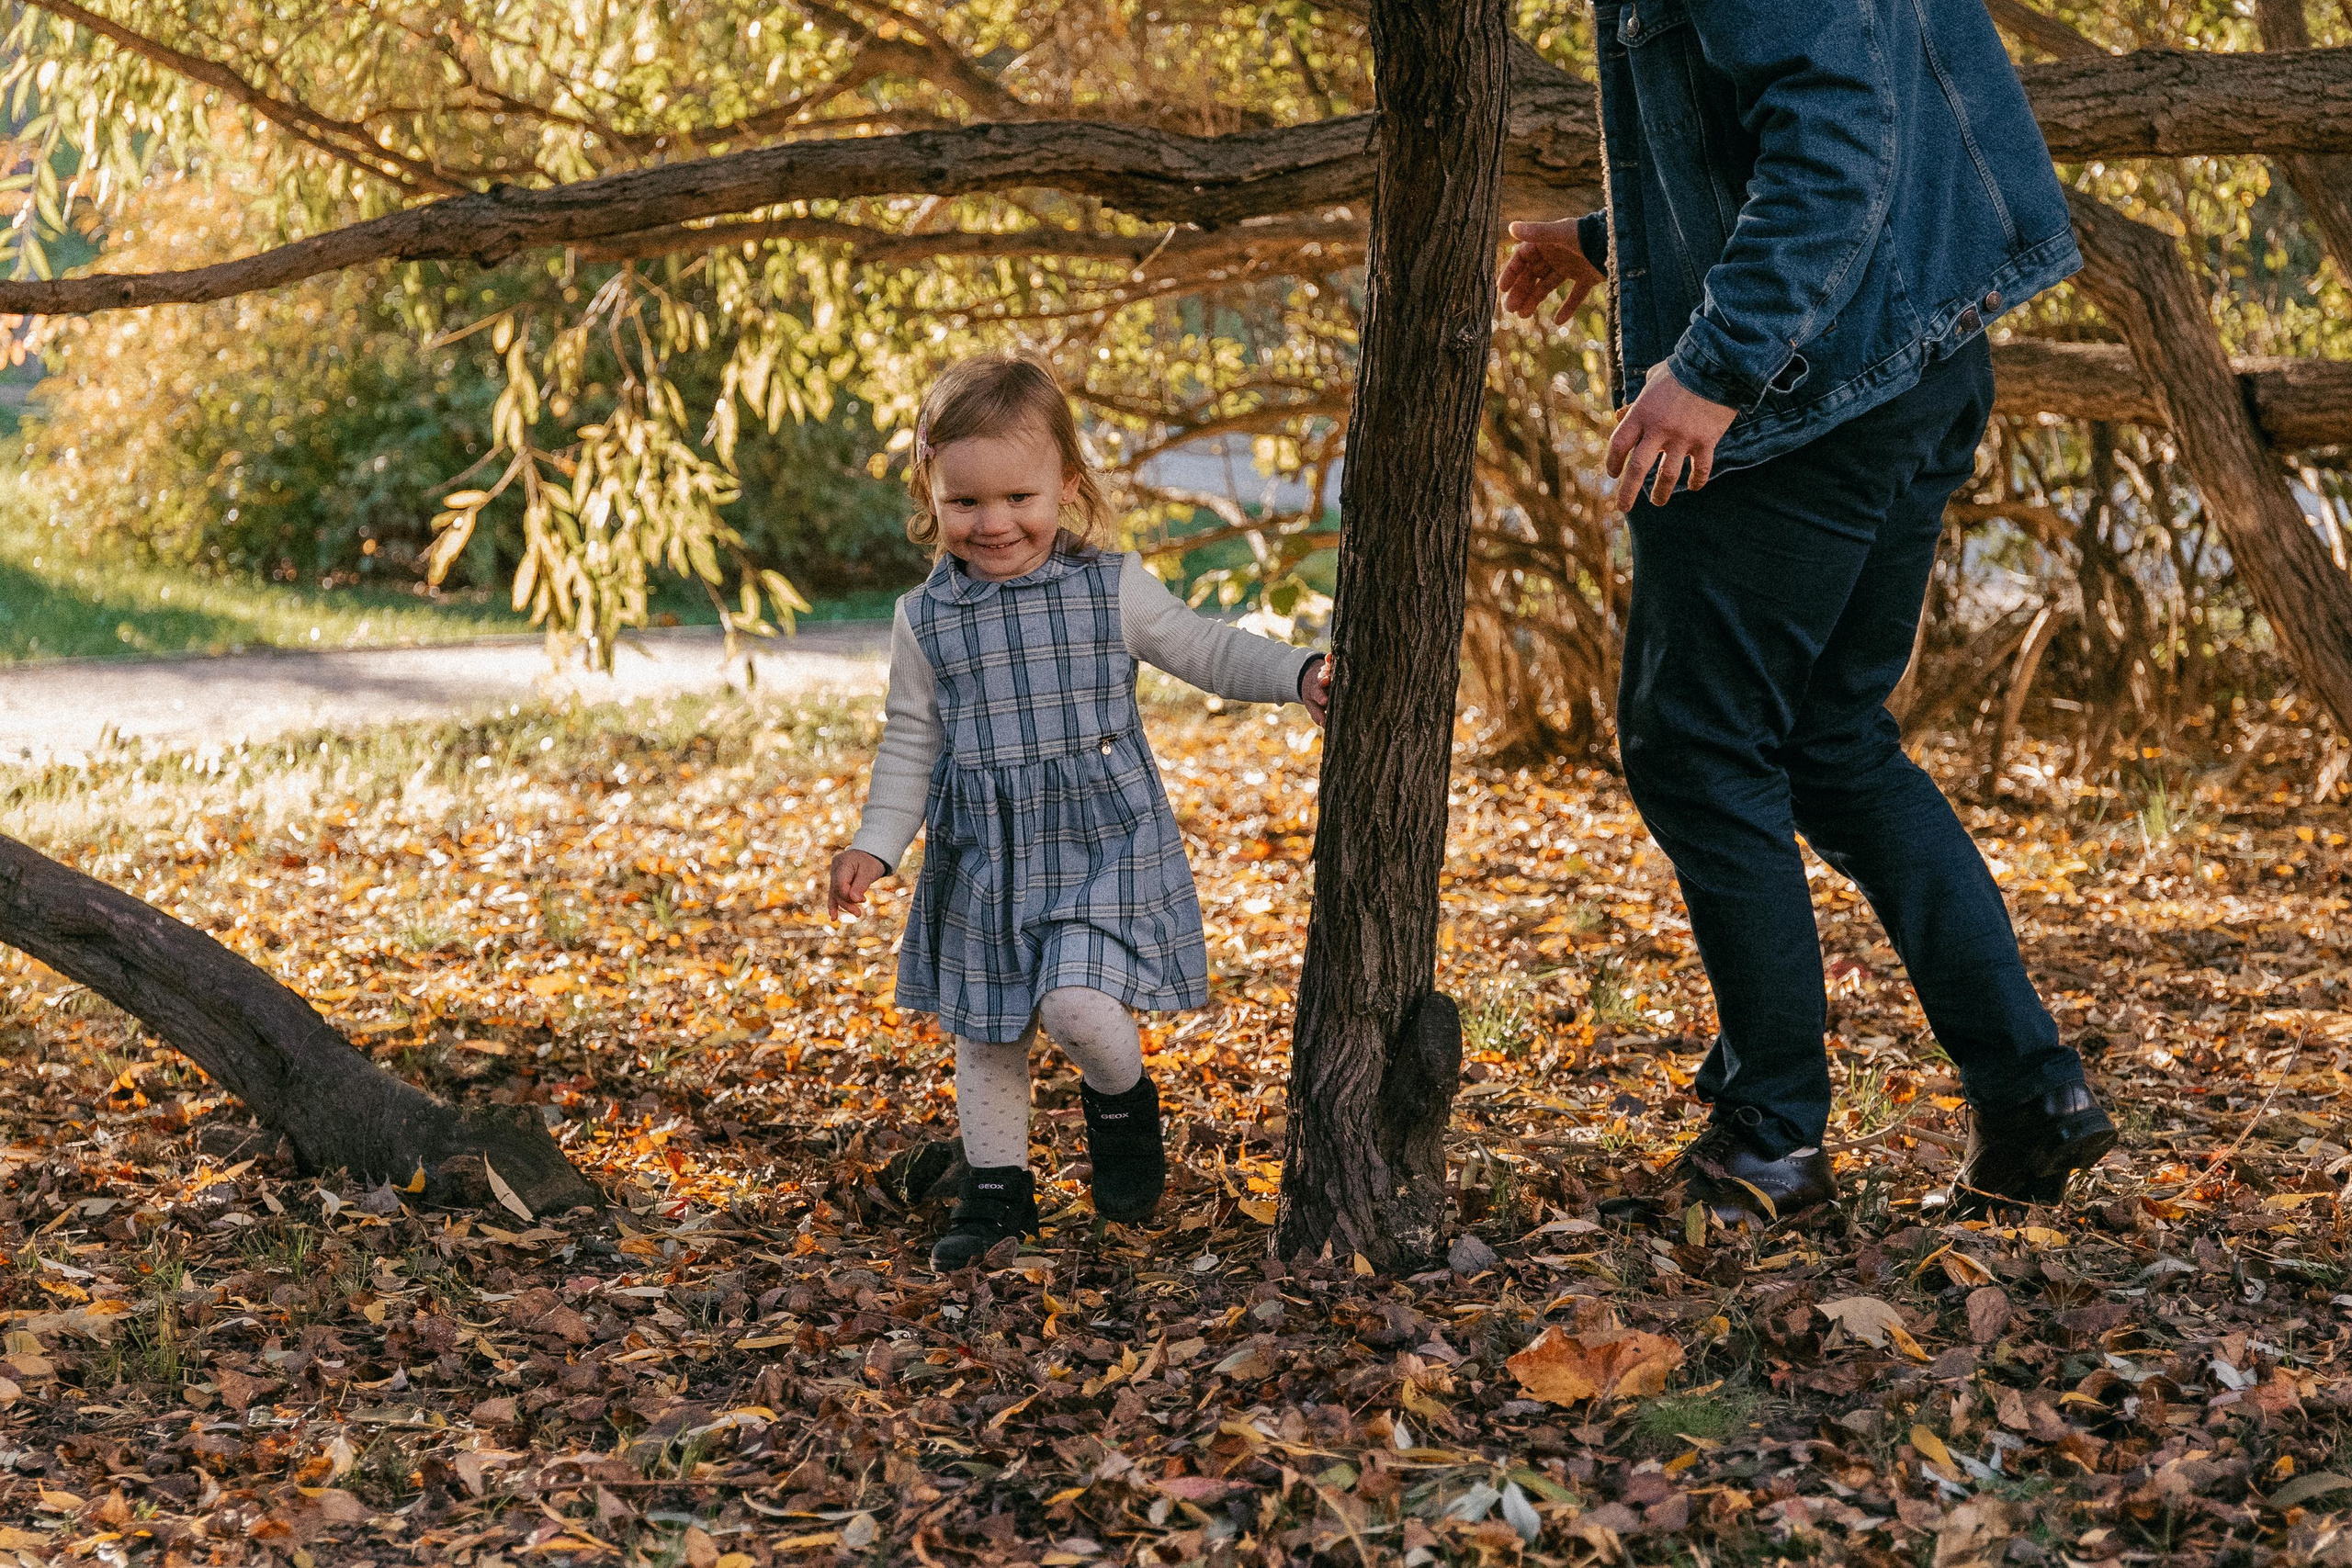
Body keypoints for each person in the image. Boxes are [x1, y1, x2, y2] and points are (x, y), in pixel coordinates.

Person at [1499, 1, 2113, 1224]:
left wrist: (1715, 364)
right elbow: (1845, 121)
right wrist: (1608, 236)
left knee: (1702, 746)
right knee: (1833, 743)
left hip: (1805, 400)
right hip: (1908, 361)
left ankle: (1768, 1139)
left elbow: (1838, 150)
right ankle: (2031, 1096)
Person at [827, 353, 1332, 1269]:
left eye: (1019, 496)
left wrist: (1295, 673)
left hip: (1102, 847)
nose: (994, 522)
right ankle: (995, 1199)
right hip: (982, 856)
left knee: (1077, 1009)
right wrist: (875, 845)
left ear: (1068, 484)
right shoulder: (925, 618)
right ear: (930, 493)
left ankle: (1123, 1105)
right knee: (986, 1034)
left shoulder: (1111, 587)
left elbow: (1203, 648)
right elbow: (911, 741)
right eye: (964, 502)